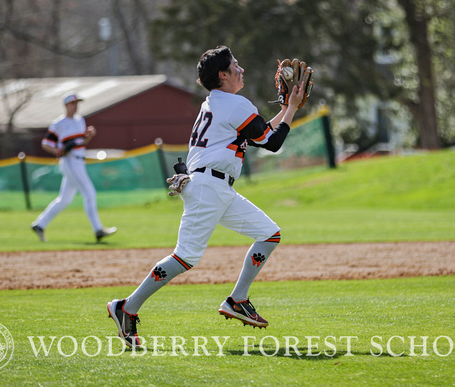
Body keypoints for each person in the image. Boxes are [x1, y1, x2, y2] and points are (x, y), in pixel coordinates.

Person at [107, 46, 307, 347]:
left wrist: (287, 106)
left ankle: (237, 299)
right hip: (207, 187)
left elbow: (259, 132)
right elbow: (272, 142)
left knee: (268, 234)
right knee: (185, 256)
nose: (241, 69)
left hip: (217, 186)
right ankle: (127, 307)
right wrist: (291, 108)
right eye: (235, 65)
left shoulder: (217, 103)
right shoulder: (236, 105)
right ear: (222, 75)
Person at [31, 92, 117, 243]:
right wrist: (56, 151)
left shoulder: (80, 121)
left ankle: (39, 224)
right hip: (69, 161)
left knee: (64, 200)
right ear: (65, 105)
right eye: (73, 103)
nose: (76, 106)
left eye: (77, 103)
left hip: (79, 161)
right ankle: (98, 230)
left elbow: (82, 143)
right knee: (90, 193)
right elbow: (45, 143)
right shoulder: (59, 124)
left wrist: (90, 135)